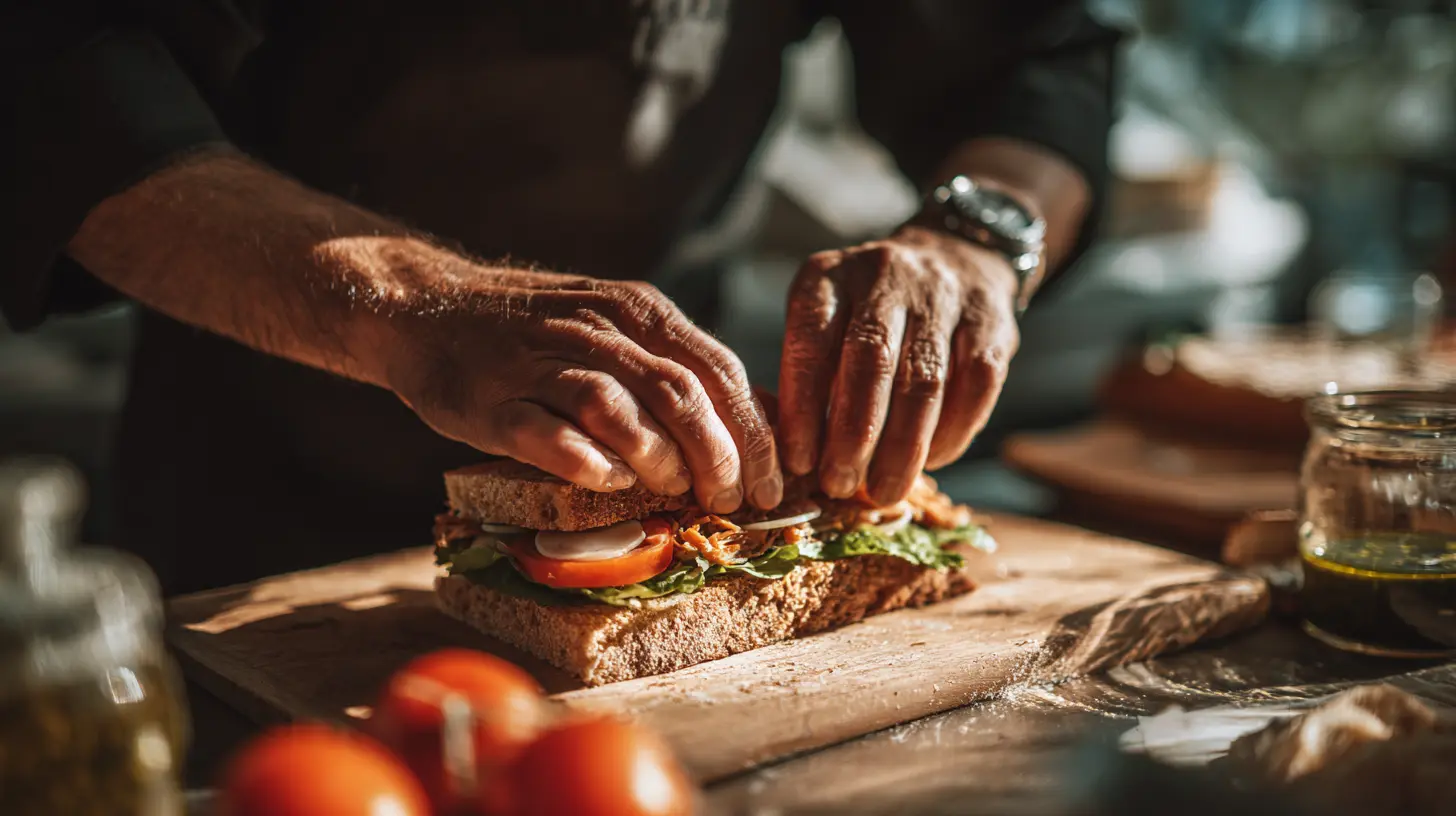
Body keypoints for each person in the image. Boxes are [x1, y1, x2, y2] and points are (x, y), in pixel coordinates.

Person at [3, 1, 1117, 594]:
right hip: (253, 500)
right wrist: (413, 307)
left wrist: (974, 240)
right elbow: (55, 82)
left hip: (672, 452)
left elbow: (1034, 56)